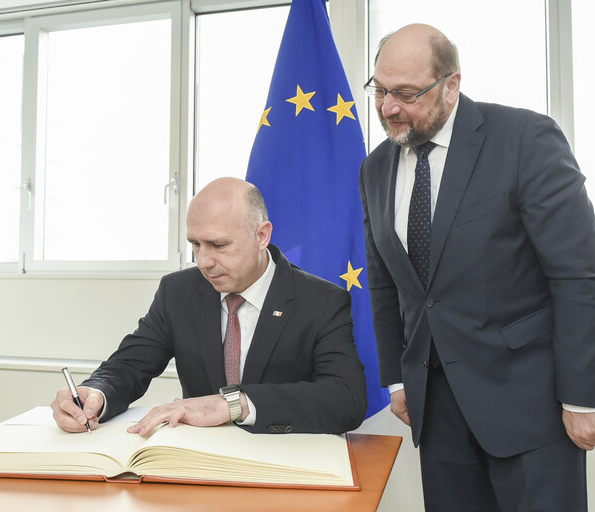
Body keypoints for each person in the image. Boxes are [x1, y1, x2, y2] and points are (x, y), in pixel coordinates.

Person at [359, 24, 595, 511]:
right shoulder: (375, 168)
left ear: (451, 85)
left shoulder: (524, 139)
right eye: (380, 89)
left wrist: (586, 398)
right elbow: (384, 281)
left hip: (529, 408)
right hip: (435, 415)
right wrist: (397, 378)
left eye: (407, 94)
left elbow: (579, 275)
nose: (389, 107)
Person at [52, 177, 367, 436]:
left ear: (262, 235)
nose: (204, 262)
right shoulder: (179, 292)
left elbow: (345, 400)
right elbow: (128, 366)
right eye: (195, 245)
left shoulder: (322, 301)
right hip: (200, 463)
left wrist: (235, 404)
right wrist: (95, 393)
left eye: (218, 245)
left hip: (285, 463)